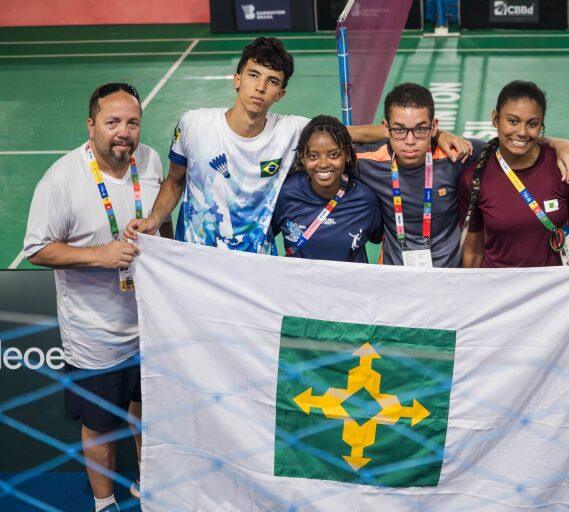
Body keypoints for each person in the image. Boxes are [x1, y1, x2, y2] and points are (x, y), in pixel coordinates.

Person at [125, 38, 469, 251]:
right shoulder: (193, 124)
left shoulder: (293, 131)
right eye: (253, 75)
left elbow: (357, 133)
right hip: (197, 259)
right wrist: (155, 219)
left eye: (272, 81)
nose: (260, 87)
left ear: (281, 93)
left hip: (258, 265)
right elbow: (175, 181)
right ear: (237, 79)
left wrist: (436, 136)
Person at [23, 83, 172, 512]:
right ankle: (104, 502)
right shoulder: (61, 180)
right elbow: (37, 249)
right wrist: (100, 256)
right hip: (96, 335)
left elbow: (162, 220)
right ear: (91, 126)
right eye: (112, 122)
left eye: (132, 122)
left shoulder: (150, 160)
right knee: (100, 425)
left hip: (149, 323)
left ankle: (149, 482)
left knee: (147, 409)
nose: (124, 132)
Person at [356, 82, 569, 268]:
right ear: (386, 128)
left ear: (433, 127)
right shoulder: (366, 162)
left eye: (421, 129)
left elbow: (514, 142)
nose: (410, 140)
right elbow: (335, 136)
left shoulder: (457, 154)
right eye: (399, 130)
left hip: (452, 281)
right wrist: (440, 134)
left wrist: (558, 143)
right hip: (397, 279)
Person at [458, 80, 569, 268]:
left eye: (532, 124)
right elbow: (474, 251)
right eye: (513, 121)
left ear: (541, 125)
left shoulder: (565, 168)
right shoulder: (475, 179)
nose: (522, 132)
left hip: (556, 284)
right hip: (500, 284)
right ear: (495, 119)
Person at [272, 115, 381, 262]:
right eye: (313, 156)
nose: (323, 164)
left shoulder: (366, 201)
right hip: (298, 278)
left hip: (350, 278)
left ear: (347, 154)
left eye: (333, 155)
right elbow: (264, 235)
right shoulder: (286, 194)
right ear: (302, 157)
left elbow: (377, 238)